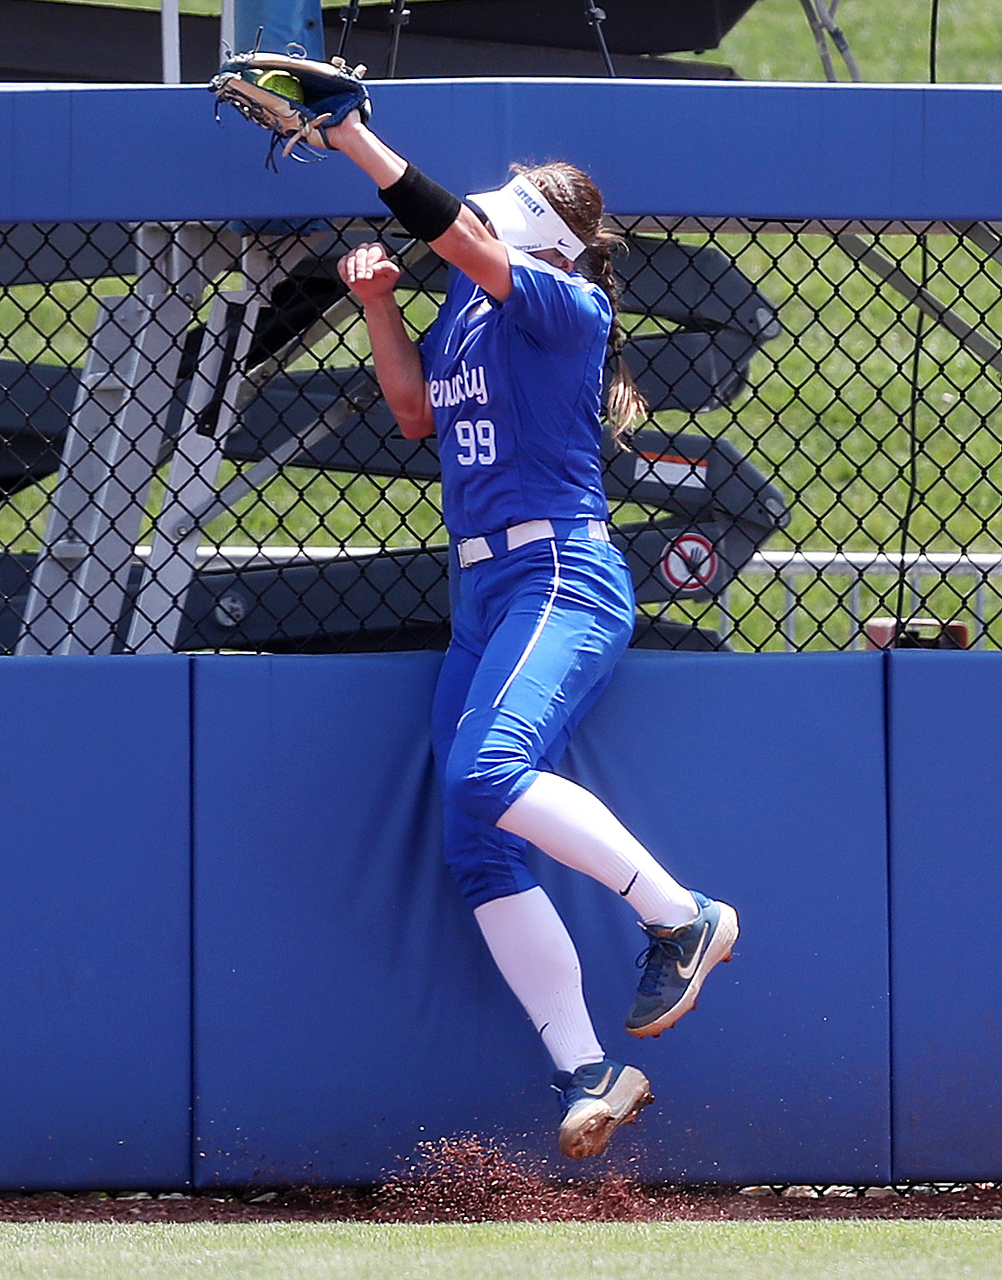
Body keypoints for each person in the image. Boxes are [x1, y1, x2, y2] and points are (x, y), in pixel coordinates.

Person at [322, 109, 739, 1160]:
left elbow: (453, 231)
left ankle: (680, 915)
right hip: (487, 590)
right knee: (475, 836)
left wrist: (352, 138)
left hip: (558, 567)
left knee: (485, 771)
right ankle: (591, 1072)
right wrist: (378, 306)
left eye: (500, 230)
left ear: (540, 244)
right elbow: (416, 412)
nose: (477, 240)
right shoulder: (471, 300)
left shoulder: (566, 301)